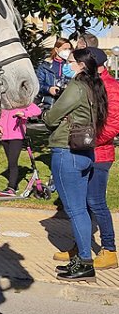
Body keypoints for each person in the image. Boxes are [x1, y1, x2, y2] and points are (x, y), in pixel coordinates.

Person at [44, 47, 108, 282]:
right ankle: (81, 260)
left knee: (75, 210)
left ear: (82, 65)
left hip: (67, 150)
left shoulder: (76, 86)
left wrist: (46, 115)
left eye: (71, 61)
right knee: (80, 208)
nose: (68, 64)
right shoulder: (96, 86)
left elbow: (52, 117)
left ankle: (84, 262)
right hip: (86, 152)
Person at [54, 47, 119, 270]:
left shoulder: (110, 86)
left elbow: (112, 125)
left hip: (99, 153)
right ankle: (80, 247)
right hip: (82, 150)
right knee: (80, 205)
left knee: (96, 202)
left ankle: (109, 249)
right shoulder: (87, 84)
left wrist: (88, 141)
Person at [0, 102, 42, 196]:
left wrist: (24, 114)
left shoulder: (23, 102)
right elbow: (2, 118)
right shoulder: (7, 104)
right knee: (10, 162)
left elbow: (37, 110)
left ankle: (11, 188)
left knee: (13, 162)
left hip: (17, 136)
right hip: (4, 137)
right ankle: (14, 186)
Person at [36, 38, 72, 109]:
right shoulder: (45, 66)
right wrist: (48, 89)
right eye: (65, 49)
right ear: (56, 49)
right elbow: (37, 84)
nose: (67, 51)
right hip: (48, 105)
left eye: (69, 49)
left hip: (66, 106)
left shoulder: (71, 66)